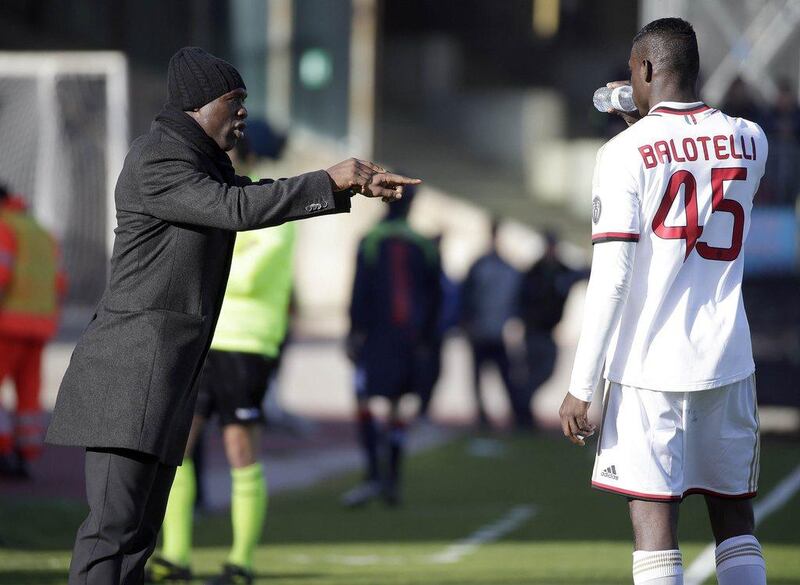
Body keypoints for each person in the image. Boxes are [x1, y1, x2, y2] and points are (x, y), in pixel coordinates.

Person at [44, 46, 419, 585]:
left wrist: (347, 186)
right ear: (198, 104)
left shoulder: (197, 165)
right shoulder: (158, 158)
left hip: (164, 380)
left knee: (137, 542)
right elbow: (235, 209)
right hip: (127, 380)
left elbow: (244, 196)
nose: (243, 112)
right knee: (111, 535)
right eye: (233, 100)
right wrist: (330, 177)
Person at [559, 18, 768, 585]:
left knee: (655, 535)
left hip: (649, 367)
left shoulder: (623, 151)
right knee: (736, 522)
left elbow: (613, 277)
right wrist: (648, 121)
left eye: (634, 70)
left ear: (646, 69)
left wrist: (583, 385)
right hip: (728, 359)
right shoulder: (753, 138)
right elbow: (694, 158)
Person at [146, 136, 296, 585]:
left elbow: (243, 278)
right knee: (179, 447)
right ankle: (176, 557)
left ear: (245, 158)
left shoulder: (273, 208)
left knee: (239, 450)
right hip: (204, 338)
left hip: (247, 345)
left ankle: (241, 563)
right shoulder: (217, 203)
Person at [343, 185, 440, 507]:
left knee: (365, 400)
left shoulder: (370, 240)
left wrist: (354, 331)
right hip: (410, 339)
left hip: (376, 336)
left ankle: (373, 473)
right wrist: (428, 337)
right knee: (399, 405)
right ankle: (392, 479)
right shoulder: (423, 244)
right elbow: (436, 296)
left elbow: (359, 290)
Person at [0, 184, 66, 477]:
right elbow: (60, 282)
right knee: (28, 395)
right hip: (39, 325)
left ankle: (2, 450)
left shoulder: (5, 227)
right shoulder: (41, 231)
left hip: (8, 324)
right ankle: (26, 453)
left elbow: (2, 275)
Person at [518, 231, 586, 429]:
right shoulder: (535, 271)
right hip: (534, 331)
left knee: (544, 372)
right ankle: (522, 411)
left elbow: (582, 273)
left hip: (548, 331)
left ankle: (523, 407)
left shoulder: (561, 270)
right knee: (534, 373)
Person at [460, 220, 522, 428]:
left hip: (492, 331)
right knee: (490, 377)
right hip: (485, 331)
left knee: (499, 377)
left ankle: (512, 415)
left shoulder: (488, 266)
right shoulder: (492, 267)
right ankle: (489, 416)